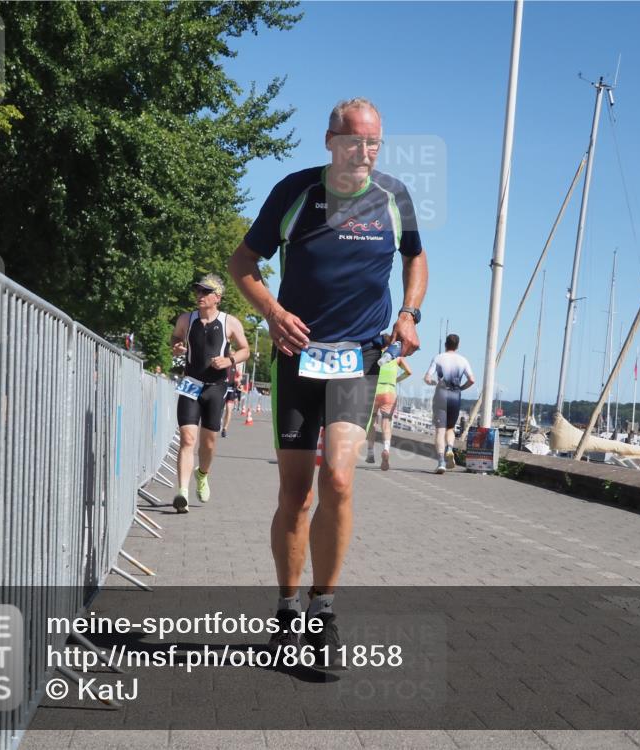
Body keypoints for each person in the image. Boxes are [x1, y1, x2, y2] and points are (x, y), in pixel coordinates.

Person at [228, 97, 428, 662]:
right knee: (296, 493)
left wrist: (409, 312)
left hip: (359, 358)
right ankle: (287, 610)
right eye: (354, 140)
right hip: (297, 359)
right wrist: (270, 311)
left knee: (338, 480)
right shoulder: (295, 192)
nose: (363, 152)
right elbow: (242, 262)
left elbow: (416, 258)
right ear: (329, 140)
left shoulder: (393, 197)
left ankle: (324, 611)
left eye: (373, 143)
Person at [170, 273, 249, 512]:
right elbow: (174, 338)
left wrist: (230, 360)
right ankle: (182, 492)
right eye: (198, 291)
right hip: (191, 382)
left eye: (205, 292)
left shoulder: (230, 322)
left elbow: (245, 349)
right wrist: (176, 345)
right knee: (187, 439)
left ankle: (202, 474)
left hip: (216, 387)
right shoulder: (187, 318)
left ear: (217, 297)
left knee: (209, 443)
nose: (199, 296)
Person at [424, 334, 475, 474]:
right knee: (450, 428)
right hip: (455, 395)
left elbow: (427, 377)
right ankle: (450, 449)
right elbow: (472, 379)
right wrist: (461, 388)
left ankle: (441, 462)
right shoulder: (463, 360)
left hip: (441, 394)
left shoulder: (438, 358)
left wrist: (432, 382)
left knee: (440, 430)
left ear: (446, 344)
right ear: (457, 346)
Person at [365, 354, 411, 470]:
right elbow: (409, 372)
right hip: (389, 391)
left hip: (375, 390)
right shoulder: (398, 357)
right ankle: (386, 449)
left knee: (372, 422)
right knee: (386, 424)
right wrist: (396, 380)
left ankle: (370, 452)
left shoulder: (378, 354)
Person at [221, 361, 244, 437]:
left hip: (231, 390)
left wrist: (238, 379)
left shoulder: (235, 366)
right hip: (222, 389)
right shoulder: (223, 364)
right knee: (218, 408)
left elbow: (240, 376)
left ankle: (224, 429)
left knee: (229, 410)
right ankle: (218, 421)